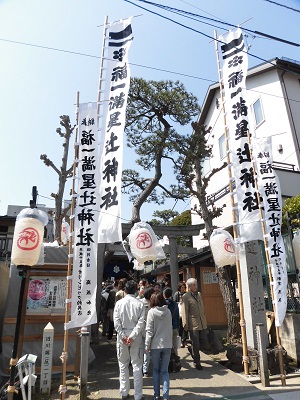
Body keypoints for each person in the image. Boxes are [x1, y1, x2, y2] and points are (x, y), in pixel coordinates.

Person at [114, 280, 145, 400]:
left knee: (123, 365)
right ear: (136, 290)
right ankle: (138, 395)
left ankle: (124, 392)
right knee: (137, 365)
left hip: (122, 336)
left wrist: (123, 336)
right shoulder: (140, 304)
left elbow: (116, 322)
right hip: (135, 337)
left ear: (124, 290)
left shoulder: (119, 303)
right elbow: (141, 323)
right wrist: (132, 336)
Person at [145, 292, 172, 400]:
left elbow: (149, 331)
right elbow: (170, 328)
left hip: (155, 345)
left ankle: (157, 395)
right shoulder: (168, 312)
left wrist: (147, 345)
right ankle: (166, 396)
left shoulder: (151, 312)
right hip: (167, 344)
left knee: (156, 370)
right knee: (165, 371)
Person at [181, 278, 207, 370]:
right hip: (193, 323)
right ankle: (197, 362)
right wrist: (185, 324)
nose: (196, 286)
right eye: (194, 285)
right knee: (196, 343)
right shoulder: (186, 296)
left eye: (196, 284)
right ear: (189, 286)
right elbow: (184, 311)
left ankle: (191, 351)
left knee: (204, 341)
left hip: (202, 322)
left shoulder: (199, 294)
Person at [140, 287, 155, 377]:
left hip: (141, 329)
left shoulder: (140, 302)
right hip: (150, 330)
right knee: (148, 350)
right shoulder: (153, 304)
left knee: (143, 350)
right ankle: (146, 368)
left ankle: (143, 369)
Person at [163, 287, 180, 356]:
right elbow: (177, 317)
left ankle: (167, 360)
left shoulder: (162, 304)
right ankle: (176, 359)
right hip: (174, 327)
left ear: (164, 295)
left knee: (166, 345)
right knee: (174, 346)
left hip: (165, 328)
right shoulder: (175, 304)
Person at [174, 281, 189, 347]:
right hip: (179, 313)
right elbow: (174, 302)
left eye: (184, 287)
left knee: (185, 327)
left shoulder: (186, 294)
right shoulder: (177, 294)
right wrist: (179, 302)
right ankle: (180, 341)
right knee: (180, 328)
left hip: (185, 312)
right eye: (182, 287)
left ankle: (184, 340)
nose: (183, 289)